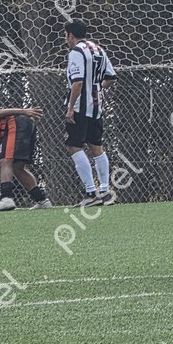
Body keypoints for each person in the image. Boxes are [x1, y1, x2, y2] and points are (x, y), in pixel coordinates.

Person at [63, 21, 117, 207]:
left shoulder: (76, 52)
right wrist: (97, 89)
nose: (66, 39)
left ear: (70, 35)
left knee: (74, 146)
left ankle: (90, 193)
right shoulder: (98, 49)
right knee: (96, 146)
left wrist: (71, 107)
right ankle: (105, 191)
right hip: (97, 106)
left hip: (80, 107)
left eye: (66, 36)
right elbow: (111, 77)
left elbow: (77, 82)